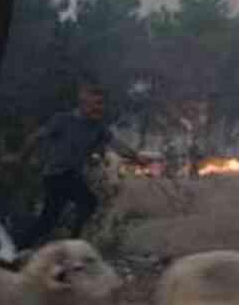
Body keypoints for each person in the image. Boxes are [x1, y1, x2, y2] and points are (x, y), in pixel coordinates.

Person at [16, 81, 148, 249]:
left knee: (53, 218)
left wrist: (137, 157)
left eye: (102, 104)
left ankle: (29, 246)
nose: (100, 108)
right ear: (83, 104)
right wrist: (21, 158)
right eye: (96, 104)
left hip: (71, 175)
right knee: (82, 205)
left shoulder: (98, 127)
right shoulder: (63, 120)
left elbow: (117, 145)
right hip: (55, 175)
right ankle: (70, 243)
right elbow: (36, 137)